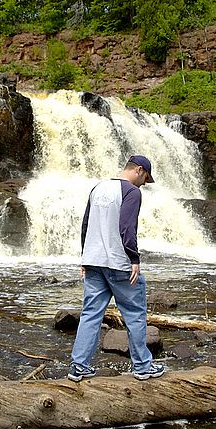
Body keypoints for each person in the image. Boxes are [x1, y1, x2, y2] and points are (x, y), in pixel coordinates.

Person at [67, 155, 166, 382]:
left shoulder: (97, 188)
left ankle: (78, 367)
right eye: (146, 179)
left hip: (94, 261)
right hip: (119, 264)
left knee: (90, 314)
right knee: (134, 314)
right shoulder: (131, 192)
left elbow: (85, 224)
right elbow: (127, 227)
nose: (144, 184)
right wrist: (134, 259)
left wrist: (85, 257)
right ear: (139, 170)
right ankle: (142, 367)